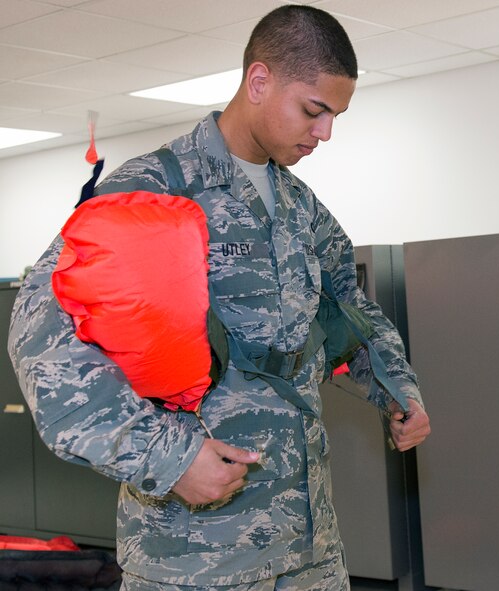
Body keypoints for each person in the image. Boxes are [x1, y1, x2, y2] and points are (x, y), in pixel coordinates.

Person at [6, 5, 430, 590]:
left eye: (336, 115)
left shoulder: (301, 208)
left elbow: (350, 311)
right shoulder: (152, 189)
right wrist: (169, 460)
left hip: (310, 548)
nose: (326, 132)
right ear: (259, 82)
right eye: (314, 110)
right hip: (195, 556)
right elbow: (41, 341)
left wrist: (397, 393)